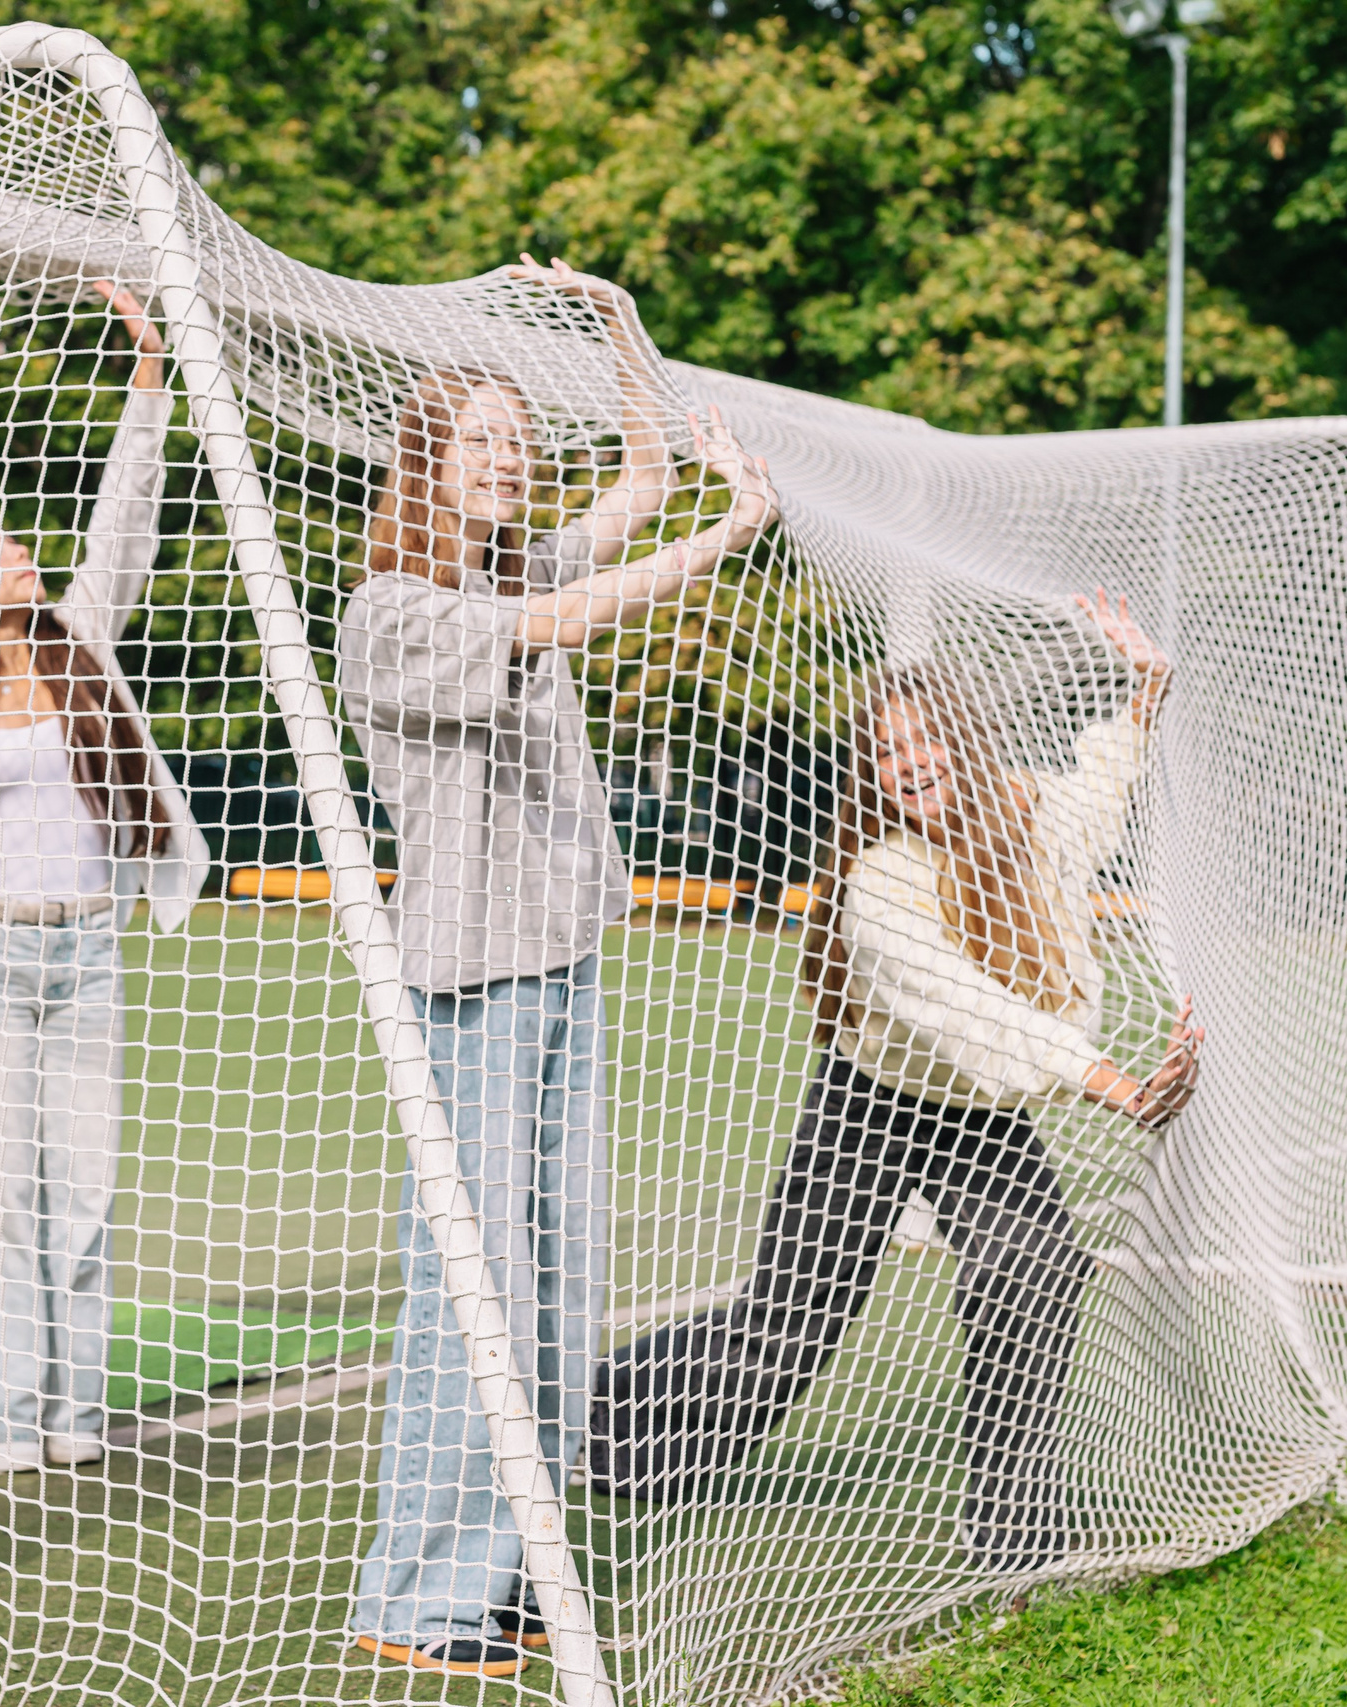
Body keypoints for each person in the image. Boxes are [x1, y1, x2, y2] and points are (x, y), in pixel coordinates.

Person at [336, 256, 780, 1679]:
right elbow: (572, 621)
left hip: (565, 959)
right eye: (481, 439)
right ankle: (416, 1592)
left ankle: (506, 1556)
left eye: (519, 442)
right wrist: (737, 533)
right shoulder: (394, 611)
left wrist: (612, 320)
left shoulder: (510, 560)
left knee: (557, 1282)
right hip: (470, 979)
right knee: (474, 1285)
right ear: (425, 458)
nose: (509, 459)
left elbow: (643, 470)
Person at [582, 591, 1204, 1579]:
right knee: (783, 1339)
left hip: (979, 1123)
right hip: (868, 1110)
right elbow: (970, 1011)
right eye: (885, 751)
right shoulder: (879, 881)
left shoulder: (1026, 823)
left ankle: (1014, 1531)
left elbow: (1097, 793)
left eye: (923, 744)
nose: (906, 765)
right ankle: (599, 1424)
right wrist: (1115, 1085)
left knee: (1034, 1275)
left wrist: (1146, 688)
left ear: (961, 743)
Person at [0, 281, 210, 1476]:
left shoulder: (85, 643)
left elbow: (124, 519)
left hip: (87, 952)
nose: (14, 553)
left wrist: (148, 378)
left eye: (16, 539)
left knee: (83, 1196)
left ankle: (69, 1412)